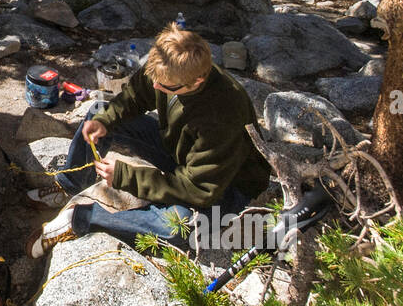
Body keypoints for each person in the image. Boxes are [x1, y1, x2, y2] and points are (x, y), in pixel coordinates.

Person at [25, 23, 271, 257]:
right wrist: (105, 120)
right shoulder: (167, 66)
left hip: (224, 186)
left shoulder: (222, 115)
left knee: (178, 228)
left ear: (197, 82)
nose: (155, 86)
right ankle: (71, 184)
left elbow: (199, 190)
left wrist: (125, 176)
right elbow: (135, 96)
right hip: (181, 153)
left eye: (164, 86)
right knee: (98, 113)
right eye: (154, 78)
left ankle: (81, 218)